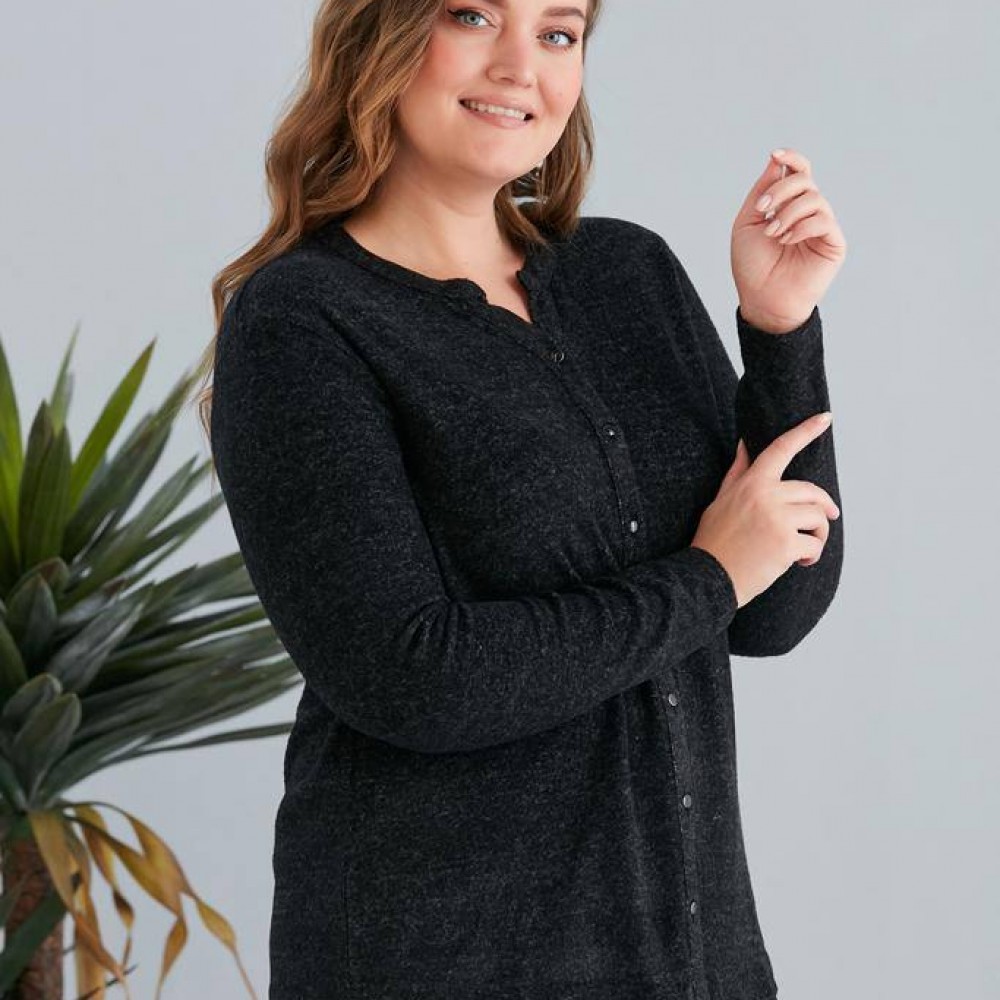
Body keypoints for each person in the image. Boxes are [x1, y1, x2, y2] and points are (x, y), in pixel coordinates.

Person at [196, 0, 847, 997]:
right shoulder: (303, 321)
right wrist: (710, 574)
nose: (519, 65)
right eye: (471, 15)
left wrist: (779, 331)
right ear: (380, 38)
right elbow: (412, 676)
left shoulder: (627, 274)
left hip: (694, 961)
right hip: (436, 963)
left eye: (557, 32)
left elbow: (775, 609)